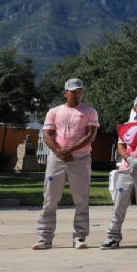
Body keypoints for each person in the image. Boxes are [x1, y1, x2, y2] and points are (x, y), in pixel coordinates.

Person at [33, 78, 100, 250]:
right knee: (50, 198)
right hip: (57, 158)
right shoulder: (54, 111)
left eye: (79, 91)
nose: (77, 94)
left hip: (81, 158)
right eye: (73, 91)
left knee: (81, 199)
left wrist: (69, 151)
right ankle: (44, 237)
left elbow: (90, 136)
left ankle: (79, 236)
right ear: (65, 93)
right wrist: (59, 152)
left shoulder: (89, 111)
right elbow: (47, 135)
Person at [100, 94, 137, 250]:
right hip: (126, 170)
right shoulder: (127, 126)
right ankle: (113, 237)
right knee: (119, 205)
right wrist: (130, 160)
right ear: (134, 108)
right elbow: (121, 147)